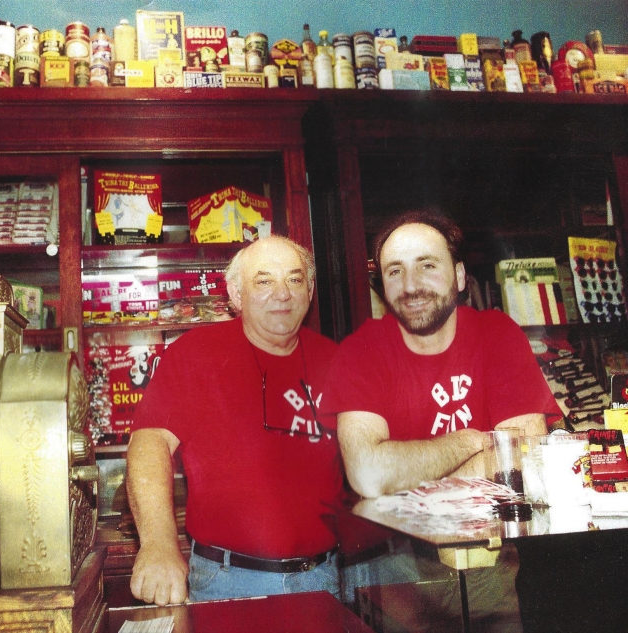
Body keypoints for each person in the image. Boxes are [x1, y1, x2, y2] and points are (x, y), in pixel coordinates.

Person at [322, 210, 560, 631]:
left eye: (427, 266)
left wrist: (408, 479)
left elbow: (524, 456)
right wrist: (473, 441)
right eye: (395, 271)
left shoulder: (497, 334)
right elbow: (369, 474)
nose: (411, 285)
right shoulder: (360, 352)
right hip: (399, 574)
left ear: (460, 275)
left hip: (490, 564)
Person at [126, 236, 344, 607]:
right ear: (237, 295)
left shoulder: (336, 360)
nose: (282, 294)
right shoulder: (196, 354)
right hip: (229, 583)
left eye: (294, 280)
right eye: (263, 281)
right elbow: (150, 444)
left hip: (323, 578)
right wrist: (159, 544)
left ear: (310, 291)